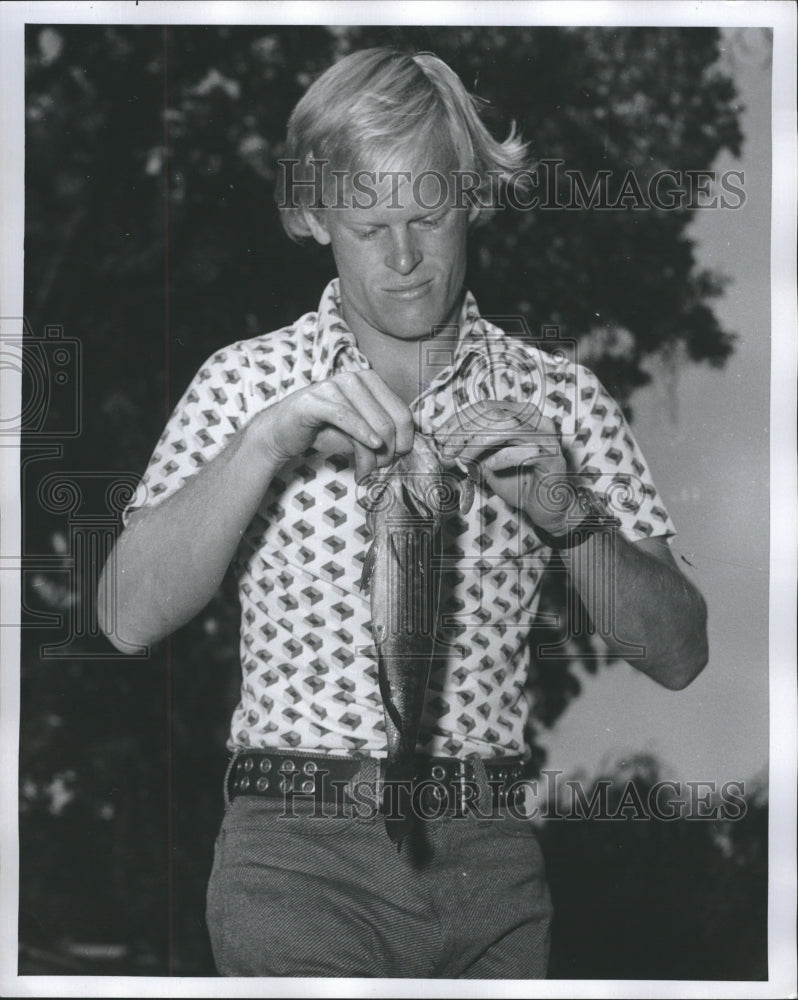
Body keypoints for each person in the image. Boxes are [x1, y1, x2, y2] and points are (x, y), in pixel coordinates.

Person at [98, 47, 708, 979]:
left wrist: (568, 513)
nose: (406, 256)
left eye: (428, 214)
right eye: (371, 222)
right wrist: (263, 447)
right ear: (313, 217)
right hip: (295, 860)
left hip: (490, 858)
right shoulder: (246, 382)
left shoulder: (562, 399)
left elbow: (681, 652)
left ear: (473, 195)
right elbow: (124, 617)